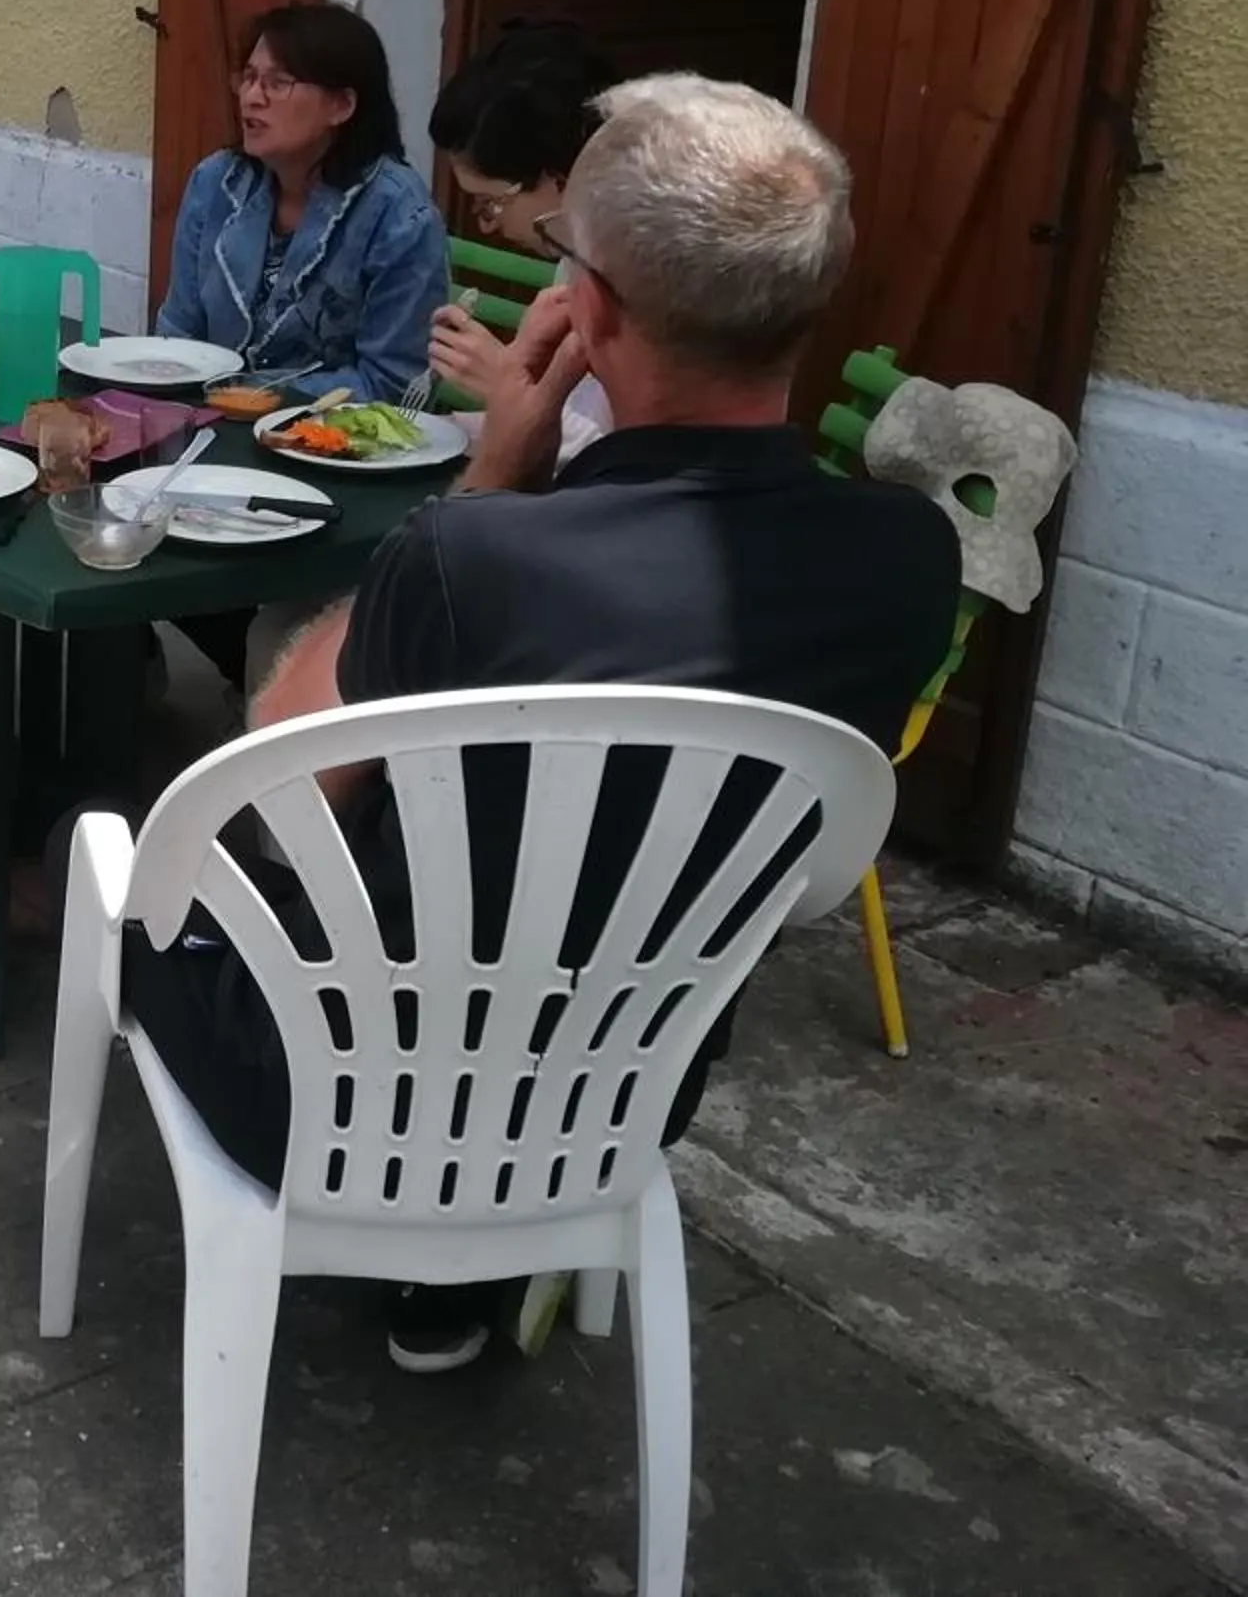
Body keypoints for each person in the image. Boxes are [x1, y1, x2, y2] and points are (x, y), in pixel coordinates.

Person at [122, 74, 961, 1375]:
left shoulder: (480, 555)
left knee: (120, 878)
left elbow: (265, 794)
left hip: (340, 1096)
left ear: (592, 309)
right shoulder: (909, 555)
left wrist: (496, 467)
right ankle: (452, 1287)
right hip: (618, 1097)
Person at [154, 0, 446, 402]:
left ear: (341, 105)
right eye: (250, 78)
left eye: (278, 83)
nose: (252, 97)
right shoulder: (216, 181)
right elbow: (177, 335)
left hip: (328, 445)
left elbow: (392, 385)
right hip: (211, 424)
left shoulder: (399, 216)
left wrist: (250, 395)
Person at [426, 19, 621, 469]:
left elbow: (630, 461)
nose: (489, 226)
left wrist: (509, 388)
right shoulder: (578, 250)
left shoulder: (657, 276)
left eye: (491, 203)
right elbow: (577, 420)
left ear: (561, 175)